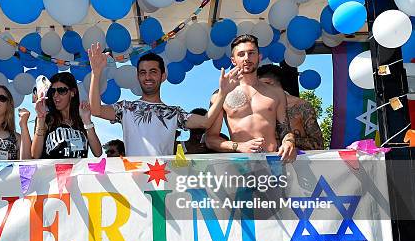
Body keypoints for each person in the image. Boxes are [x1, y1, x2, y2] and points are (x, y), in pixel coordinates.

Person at [88, 43, 240, 156]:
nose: (147, 77)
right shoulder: (126, 108)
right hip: (134, 183)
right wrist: (96, 72)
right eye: (143, 72)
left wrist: (223, 93)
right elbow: (96, 110)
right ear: (138, 77)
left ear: (163, 76)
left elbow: (205, 122)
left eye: (153, 71)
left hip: (163, 183)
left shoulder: (174, 113)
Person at [205, 34, 297, 162]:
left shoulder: (276, 93)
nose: (247, 58)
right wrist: (239, 146)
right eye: (241, 54)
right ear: (233, 60)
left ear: (259, 57)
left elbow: (285, 131)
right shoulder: (221, 95)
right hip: (240, 166)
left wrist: (289, 142)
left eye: (251, 53)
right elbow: (210, 140)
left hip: (272, 163)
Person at [32, 72, 102, 159]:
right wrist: (40, 118)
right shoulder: (46, 118)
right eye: (53, 91)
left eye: (61, 90)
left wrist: (87, 121)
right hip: (52, 172)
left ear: (72, 92)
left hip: (78, 172)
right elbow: (35, 155)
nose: (55, 95)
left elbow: (98, 153)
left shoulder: (81, 119)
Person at [257, 64, 323, 150]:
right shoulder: (258, 109)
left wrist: (289, 141)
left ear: (269, 83)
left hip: (300, 162)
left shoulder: (301, 105)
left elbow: (318, 144)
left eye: (259, 86)